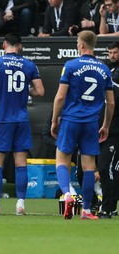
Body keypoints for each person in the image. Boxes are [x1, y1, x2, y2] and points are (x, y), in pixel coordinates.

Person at [51, 30, 114, 220]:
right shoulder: (104, 69)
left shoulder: (71, 65)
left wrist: (55, 120)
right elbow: (110, 102)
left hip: (71, 119)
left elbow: (61, 96)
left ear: (81, 44)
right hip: (91, 122)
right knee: (88, 167)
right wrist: (106, 125)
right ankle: (86, 210)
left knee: (62, 160)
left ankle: (68, 195)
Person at [0, 33, 45, 216]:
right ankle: (21, 204)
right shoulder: (29, 65)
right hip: (22, 119)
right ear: (20, 46)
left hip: (3, 119)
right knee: (21, 163)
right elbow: (40, 91)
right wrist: (26, 89)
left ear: (3, 45)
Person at [95, 42, 119, 218]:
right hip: (98, 129)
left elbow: (112, 101)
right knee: (86, 170)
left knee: (106, 168)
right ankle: (94, 205)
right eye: (109, 52)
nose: (112, 55)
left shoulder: (113, 83)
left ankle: (108, 207)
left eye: (115, 52)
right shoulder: (107, 74)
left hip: (114, 131)